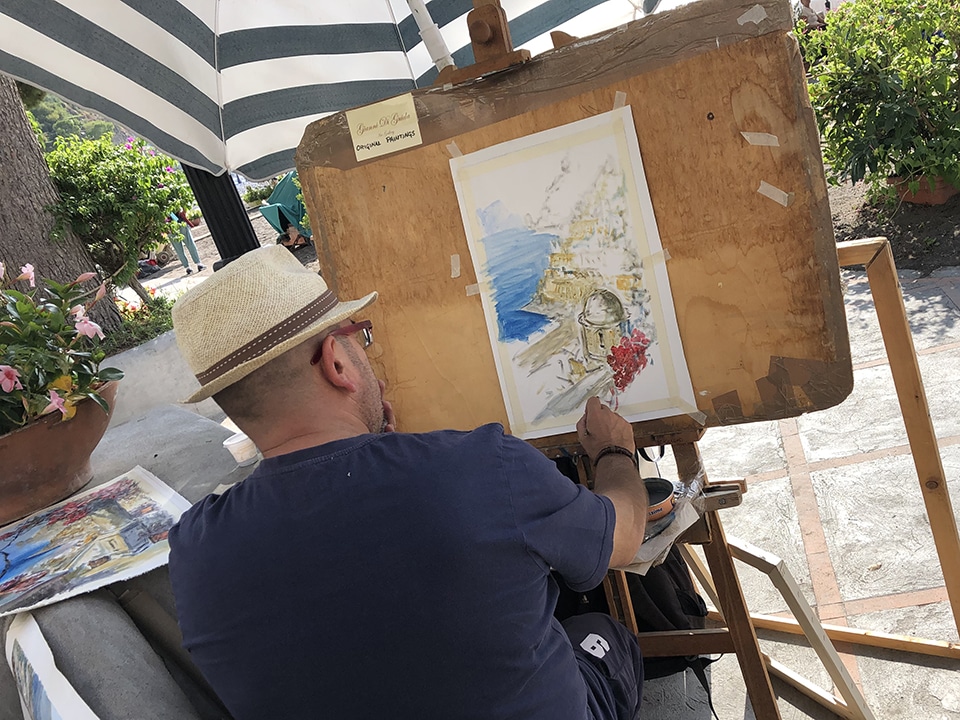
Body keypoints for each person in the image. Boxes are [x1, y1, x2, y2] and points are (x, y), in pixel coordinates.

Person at [168, 245, 650, 720]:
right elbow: (624, 537)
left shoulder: (194, 548)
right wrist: (614, 451)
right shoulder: (483, 466)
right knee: (603, 634)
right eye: (359, 337)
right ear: (336, 362)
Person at [168, 210, 205, 274]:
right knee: (190, 244)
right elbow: (181, 209)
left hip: (170, 227)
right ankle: (199, 264)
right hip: (180, 222)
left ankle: (187, 268)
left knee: (178, 249)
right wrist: (177, 218)